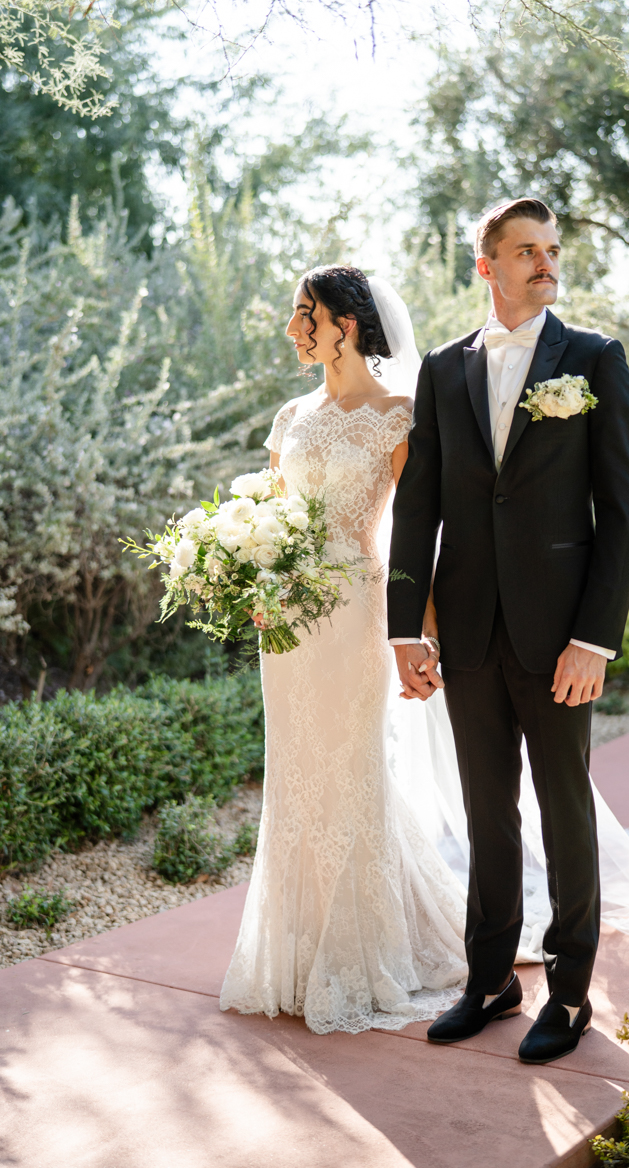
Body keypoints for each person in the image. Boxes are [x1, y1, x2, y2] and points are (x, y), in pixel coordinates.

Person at [388, 196, 629, 1064]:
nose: (546, 263)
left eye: (551, 249)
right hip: (465, 632)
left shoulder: (595, 359)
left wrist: (594, 638)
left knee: (565, 811)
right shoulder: (442, 368)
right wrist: (403, 630)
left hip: (560, 634)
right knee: (485, 812)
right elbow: (418, 506)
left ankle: (568, 994)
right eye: (526, 251)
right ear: (485, 266)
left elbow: (623, 512)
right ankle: (492, 979)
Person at [220, 265, 468, 1035]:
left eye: (306, 314)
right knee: (295, 774)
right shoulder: (290, 415)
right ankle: (294, 953)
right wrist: (244, 578)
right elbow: (266, 510)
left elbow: (417, 538)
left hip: (356, 610)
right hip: (286, 626)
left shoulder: (398, 414)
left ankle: (365, 953)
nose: (295, 329)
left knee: (351, 766)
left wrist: (422, 633)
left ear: (347, 325)